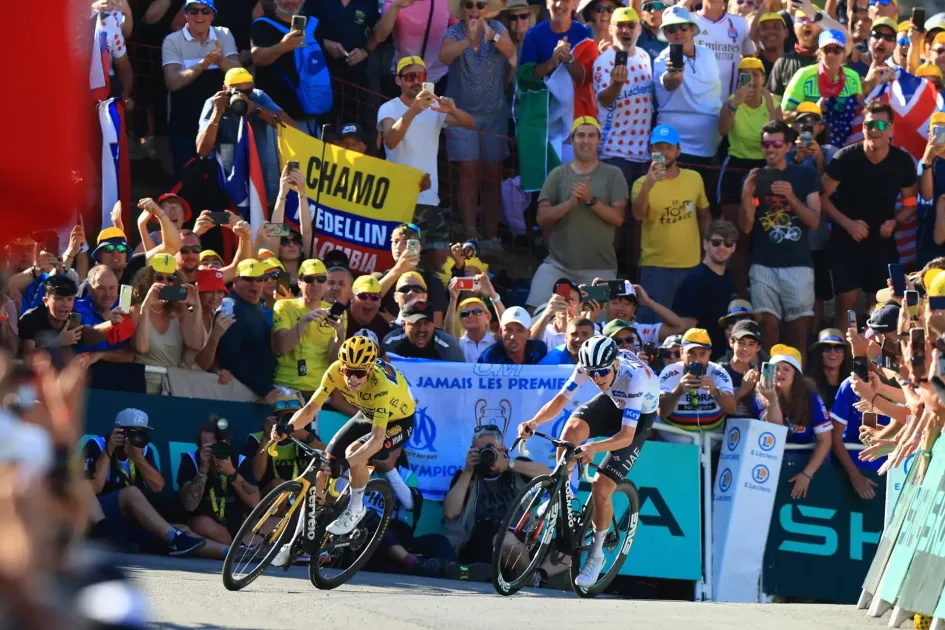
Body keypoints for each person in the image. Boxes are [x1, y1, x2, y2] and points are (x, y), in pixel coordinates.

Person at [518, 335, 659, 586]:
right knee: (570, 433)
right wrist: (534, 422)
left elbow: (626, 436)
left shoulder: (635, 378)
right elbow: (560, 401)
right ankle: (560, 495)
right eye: (592, 373)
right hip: (613, 402)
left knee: (601, 487)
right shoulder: (589, 366)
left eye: (602, 372)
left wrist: (594, 446)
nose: (597, 378)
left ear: (615, 363)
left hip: (637, 417)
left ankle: (596, 554)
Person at [269, 337, 417, 565]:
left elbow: (377, 440)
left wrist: (345, 464)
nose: (352, 378)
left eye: (359, 373)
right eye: (348, 371)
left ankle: (356, 508)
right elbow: (310, 409)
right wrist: (287, 427)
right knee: (323, 468)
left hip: (398, 422)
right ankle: (295, 543)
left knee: (354, 451)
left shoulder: (381, 385)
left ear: (370, 369)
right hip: (367, 414)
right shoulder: (335, 371)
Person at [820, 101, 918, 329]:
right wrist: (847, 223)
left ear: (891, 129)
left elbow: (911, 203)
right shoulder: (845, 158)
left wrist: (895, 222)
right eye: (869, 124)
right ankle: (841, 351)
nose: (874, 130)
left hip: (882, 242)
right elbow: (821, 197)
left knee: (882, 305)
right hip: (846, 240)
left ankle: (876, 352)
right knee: (847, 304)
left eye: (881, 125)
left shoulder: (902, 161)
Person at [526, 117, 628, 309]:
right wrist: (569, 204)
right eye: (580, 135)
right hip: (558, 267)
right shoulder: (558, 174)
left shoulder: (613, 174)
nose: (585, 141)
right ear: (572, 140)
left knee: (597, 322)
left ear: (599, 140)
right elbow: (541, 217)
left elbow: (618, 218)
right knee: (534, 312)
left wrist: (591, 200)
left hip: (599, 271)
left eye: (591, 136)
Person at [740, 119, 822, 350]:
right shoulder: (754, 177)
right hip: (763, 264)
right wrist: (747, 194)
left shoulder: (805, 174)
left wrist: (792, 198)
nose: (770, 149)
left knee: (798, 333)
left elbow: (814, 221)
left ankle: (798, 374)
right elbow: (745, 227)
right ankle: (766, 372)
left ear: (788, 146)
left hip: (798, 264)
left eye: (776, 144)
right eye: (766, 144)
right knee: (767, 329)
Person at [378, 56, 475, 252]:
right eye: (409, 77)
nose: (416, 81)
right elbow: (390, 141)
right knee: (405, 257)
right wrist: (413, 110)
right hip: (400, 200)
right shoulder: (388, 108)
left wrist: (452, 110)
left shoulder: (434, 109)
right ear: (398, 80)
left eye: (420, 76)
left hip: (430, 198)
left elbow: (469, 123)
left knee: (440, 260)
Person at [440, 0, 515, 245]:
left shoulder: (498, 28)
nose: (474, 10)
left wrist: (490, 36)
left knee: (492, 175)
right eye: (468, 5)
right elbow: (444, 56)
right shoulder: (454, 31)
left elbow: (510, 52)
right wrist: (469, 40)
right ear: (461, 9)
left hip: (494, 116)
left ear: (487, 9)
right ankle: (470, 233)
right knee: (468, 174)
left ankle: (492, 236)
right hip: (461, 115)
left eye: (480, 5)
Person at [83, 411, 208, 557]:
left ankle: (227, 552)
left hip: (128, 520)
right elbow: (92, 489)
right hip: (101, 517)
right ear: (119, 431)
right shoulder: (97, 445)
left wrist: (138, 458)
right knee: (131, 493)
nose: (138, 438)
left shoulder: (144, 451)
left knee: (183, 531)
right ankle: (174, 538)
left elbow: (157, 487)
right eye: (134, 433)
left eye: (142, 433)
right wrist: (109, 450)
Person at [443, 425, 551, 568]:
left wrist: (508, 464)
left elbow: (550, 476)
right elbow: (450, 512)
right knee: (503, 539)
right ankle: (532, 576)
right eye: (479, 450)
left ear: (502, 449)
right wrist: (468, 471)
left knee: (563, 551)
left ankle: (533, 574)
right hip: (481, 544)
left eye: (489, 449)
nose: (485, 454)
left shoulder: (516, 468)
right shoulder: (466, 476)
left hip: (521, 539)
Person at [633, 124, 711, 319]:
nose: (664, 152)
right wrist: (648, 186)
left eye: (669, 147)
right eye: (658, 147)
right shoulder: (640, 183)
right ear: (651, 150)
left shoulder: (694, 178)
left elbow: (704, 216)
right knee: (654, 325)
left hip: (691, 265)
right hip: (656, 266)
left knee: (690, 323)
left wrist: (706, 252)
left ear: (678, 151)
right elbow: (637, 215)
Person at [162, 0, 240, 174]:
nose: (199, 15)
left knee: (225, 177)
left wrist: (220, 60)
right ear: (185, 14)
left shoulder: (224, 34)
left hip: (222, 123)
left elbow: (240, 76)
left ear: (213, 15)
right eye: (193, 11)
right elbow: (172, 82)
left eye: (205, 11)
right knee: (187, 177)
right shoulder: (172, 40)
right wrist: (203, 64)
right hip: (185, 124)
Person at [752, 344, 832, 499]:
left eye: (786, 369)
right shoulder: (761, 394)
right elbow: (775, 433)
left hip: (809, 464)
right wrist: (772, 401)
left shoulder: (810, 397)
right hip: (774, 464)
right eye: (775, 368)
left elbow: (825, 440)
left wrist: (806, 474)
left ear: (796, 375)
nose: (779, 373)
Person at [196, 67, 286, 202]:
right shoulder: (214, 103)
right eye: (237, 92)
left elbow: (290, 126)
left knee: (263, 209)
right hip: (229, 182)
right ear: (224, 89)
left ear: (253, 87)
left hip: (259, 177)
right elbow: (202, 150)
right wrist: (217, 114)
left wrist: (257, 109)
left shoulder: (257, 97)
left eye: (247, 92)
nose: (242, 97)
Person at [250, 0, 333, 135]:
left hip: (312, 115)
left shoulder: (313, 25)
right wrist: (283, 46)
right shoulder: (262, 25)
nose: (291, 1)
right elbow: (258, 59)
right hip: (276, 118)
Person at [652, 6, 722, 163]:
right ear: (665, 34)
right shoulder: (661, 60)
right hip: (668, 141)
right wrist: (674, 76)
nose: (678, 33)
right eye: (671, 29)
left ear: (691, 29)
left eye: (683, 27)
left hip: (708, 143)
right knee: (659, 175)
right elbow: (669, 83)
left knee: (702, 181)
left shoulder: (708, 54)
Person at [593, 6, 653, 189]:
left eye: (631, 25)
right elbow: (604, 100)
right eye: (620, 25)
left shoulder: (644, 56)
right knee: (615, 204)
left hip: (642, 152)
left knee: (640, 204)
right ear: (611, 29)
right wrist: (617, 85)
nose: (625, 30)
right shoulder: (604, 61)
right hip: (614, 151)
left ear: (639, 30)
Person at [178, 419, 261, 545]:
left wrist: (231, 473)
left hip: (240, 528)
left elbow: (255, 503)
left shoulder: (239, 460)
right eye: (209, 447)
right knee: (201, 524)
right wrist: (203, 470)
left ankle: (238, 547)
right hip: (208, 527)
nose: (214, 451)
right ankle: (235, 548)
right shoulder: (192, 459)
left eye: (217, 446)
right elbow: (189, 506)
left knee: (275, 523)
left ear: (228, 444)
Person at [129, 255, 203, 393]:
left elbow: (196, 345)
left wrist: (197, 307)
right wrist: (146, 307)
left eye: (170, 279)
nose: (165, 283)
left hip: (174, 386)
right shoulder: (136, 310)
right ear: (147, 280)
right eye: (159, 278)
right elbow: (142, 348)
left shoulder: (179, 310)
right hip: (144, 384)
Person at [272, 258, 347, 394]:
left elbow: (333, 360)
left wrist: (340, 337)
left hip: (320, 389)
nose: (315, 284)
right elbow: (283, 347)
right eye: (309, 279)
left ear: (326, 283)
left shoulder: (336, 313)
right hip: (287, 386)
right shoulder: (284, 306)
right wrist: (304, 321)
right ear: (299, 282)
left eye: (321, 279)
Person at [671, 220, 740, 358]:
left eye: (727, 244)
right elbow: (686, 328)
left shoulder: (729, 277)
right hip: (699, 357)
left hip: (722, 356)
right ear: (705, 244)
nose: (722, 247)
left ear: (733, 248)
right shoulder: (695, 279)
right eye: (716, 242)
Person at [782, 30, 863, 146]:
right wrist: (813, 110)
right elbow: (784, 115)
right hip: (808, 143)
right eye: (827, 50)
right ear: (819, 52)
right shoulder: (803, 75)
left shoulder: (853, 78)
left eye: (837, 50)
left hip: (844, 144)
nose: (831, 55)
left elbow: (858, 113)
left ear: (844, 53)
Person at [217, 259, 280, 402]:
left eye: (259, 278)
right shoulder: (231, 307)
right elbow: (229, 358)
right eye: (248, 279)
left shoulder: (253, 305)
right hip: (243, 394)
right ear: (235, 281)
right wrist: (264, 389)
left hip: (258, 391)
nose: (255, 283)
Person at [658, 328, 736, 440]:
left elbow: (732, 409)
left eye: (702, 354)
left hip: (712, 445)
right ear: (681, 352)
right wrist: (678, 391)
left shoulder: (719, 372)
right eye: (691, 354)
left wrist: (716, 392)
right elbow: (661, 412)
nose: (697, 360)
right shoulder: (670, 371)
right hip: (673, 445)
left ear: (709, 353)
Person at [242, 389, 323, 495]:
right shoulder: (257, 438)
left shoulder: (306, 436)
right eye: (285, 417)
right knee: (278, 484)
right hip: (268, 497)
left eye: (293, 418)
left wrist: (307, 437)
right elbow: (256, 476)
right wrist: (266, 439)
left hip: (300, 494)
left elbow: (329, 459)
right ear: (276, 418)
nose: (289, 423)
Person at [692, 0, 756, 102]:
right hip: (696, 105)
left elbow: (749, 61)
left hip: (729, 105)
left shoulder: (740, 23)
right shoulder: (688, 20)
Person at [73, 265, 136, 365]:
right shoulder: (77, 308)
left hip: (117, 372)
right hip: (86, 371)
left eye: (112, 288)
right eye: (101, 288)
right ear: (89, 288)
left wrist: (100, 355)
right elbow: (86, 336)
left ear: (118, 287)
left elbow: (130, 355)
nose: (107, 294)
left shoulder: (124, 305)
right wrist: (110, 323)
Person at [17, 275, 86, 355]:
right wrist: (58, 342)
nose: (65, 304)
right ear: (45, 301)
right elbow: (28, 356)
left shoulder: (74, 318)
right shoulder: (30, 319)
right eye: (59, 299)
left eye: (69, 299)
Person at [766, 9, 822, 97]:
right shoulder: (783, 63)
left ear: (822, 27)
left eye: (812, 19)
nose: (806, 23)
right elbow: (773, 100)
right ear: (794, 28)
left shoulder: (833, 57)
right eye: (801, 20)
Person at [382, 301, 465, 361]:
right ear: (403, 324)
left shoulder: (448, 345)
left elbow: (461, 374)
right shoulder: (390, 343)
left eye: (427, 323)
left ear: (433, 325)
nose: (421, 329)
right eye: (416, 323)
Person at [917, 113, 945, 268]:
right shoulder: (926, 162)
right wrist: (927, 161)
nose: (940, 136)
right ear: (929, 134)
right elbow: (927, 196)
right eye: (937, 131)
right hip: (930, 232)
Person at [720, 319, 762, 418]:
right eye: (741, 343)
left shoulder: (759, 374)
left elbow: (761, 414)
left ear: (758, 347)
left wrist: (757, 390)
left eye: (751, 344)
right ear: (731, 342)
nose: (745, 349)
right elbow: (719, 412)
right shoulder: (720, 371)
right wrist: (743, 390)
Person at [478, 307, 548, 364]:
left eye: (520, 331)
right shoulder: (490, 356)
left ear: (528, 334)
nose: (513, 337)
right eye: (508, 330)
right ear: (500, 331)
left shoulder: (539, 349)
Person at [807, 327, 850, 408]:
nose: (832, 352)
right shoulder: (809, 385)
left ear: (844, 354)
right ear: (819, 353)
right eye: (826, 347)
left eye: (838, 348)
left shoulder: (852, 383)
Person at [345, 275, 393, 341]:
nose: (368, 302)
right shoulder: (340, 322)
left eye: (375, 297)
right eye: (363, 296)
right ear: (351, 297)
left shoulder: (383, 326)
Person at [452, 296, 497, 362]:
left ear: (487, 317)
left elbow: (506, 326)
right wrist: (453, 300)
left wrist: (494, 296)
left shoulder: (496, 340)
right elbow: (448, 331)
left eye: (477, 312)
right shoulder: (458, 343)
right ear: (460, 321)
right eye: (465, 313)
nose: (470, 316)